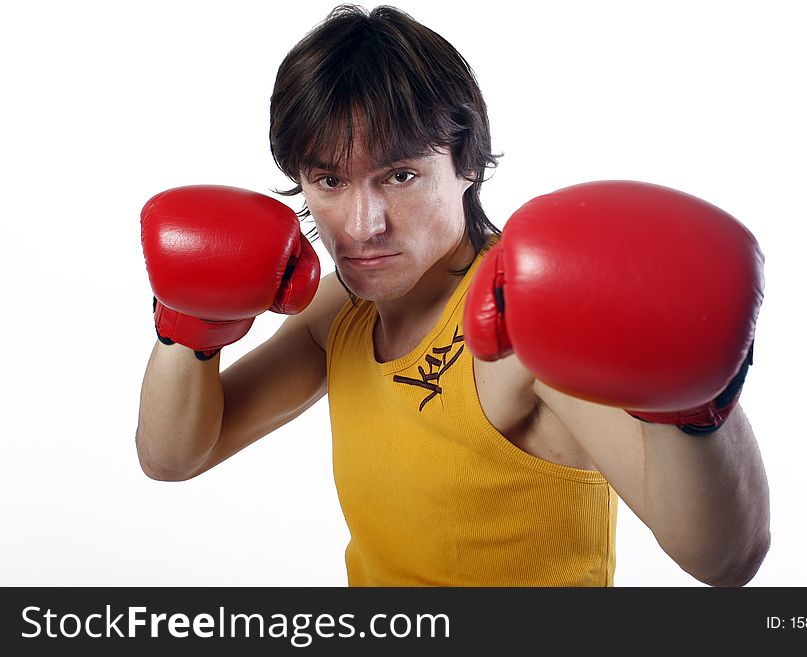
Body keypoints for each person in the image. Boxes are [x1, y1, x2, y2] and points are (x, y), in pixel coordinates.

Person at [136, 4, 770, 587]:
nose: (363, 226)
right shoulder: (340, 315)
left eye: (401, 176)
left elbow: (723, 558)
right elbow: (175, 456)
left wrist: (694, 399)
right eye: (329, 181)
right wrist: (188, 327)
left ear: (467, 163)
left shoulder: (524, 328)